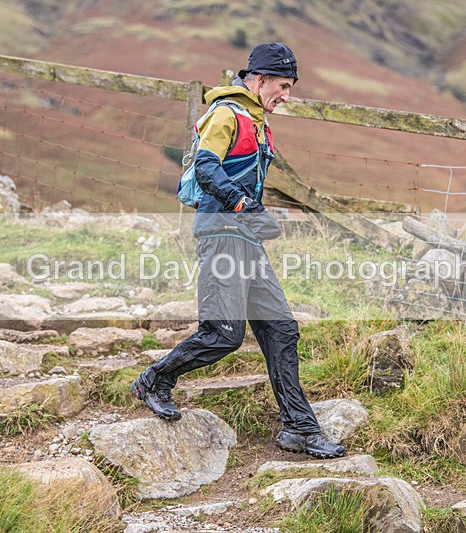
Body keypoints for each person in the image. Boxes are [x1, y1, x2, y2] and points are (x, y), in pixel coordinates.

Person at [131, 43, 346, 460]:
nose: (287, 95)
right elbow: (206, 169)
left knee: (280, 329)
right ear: (260, 79)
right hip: (221, 235)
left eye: (290, 88)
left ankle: (299, 429)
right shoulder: (226, 113)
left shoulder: (256, 119)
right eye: (283, 86)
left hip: (246, 240)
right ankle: (155, 380)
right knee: (223, 335)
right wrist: (243, 205)